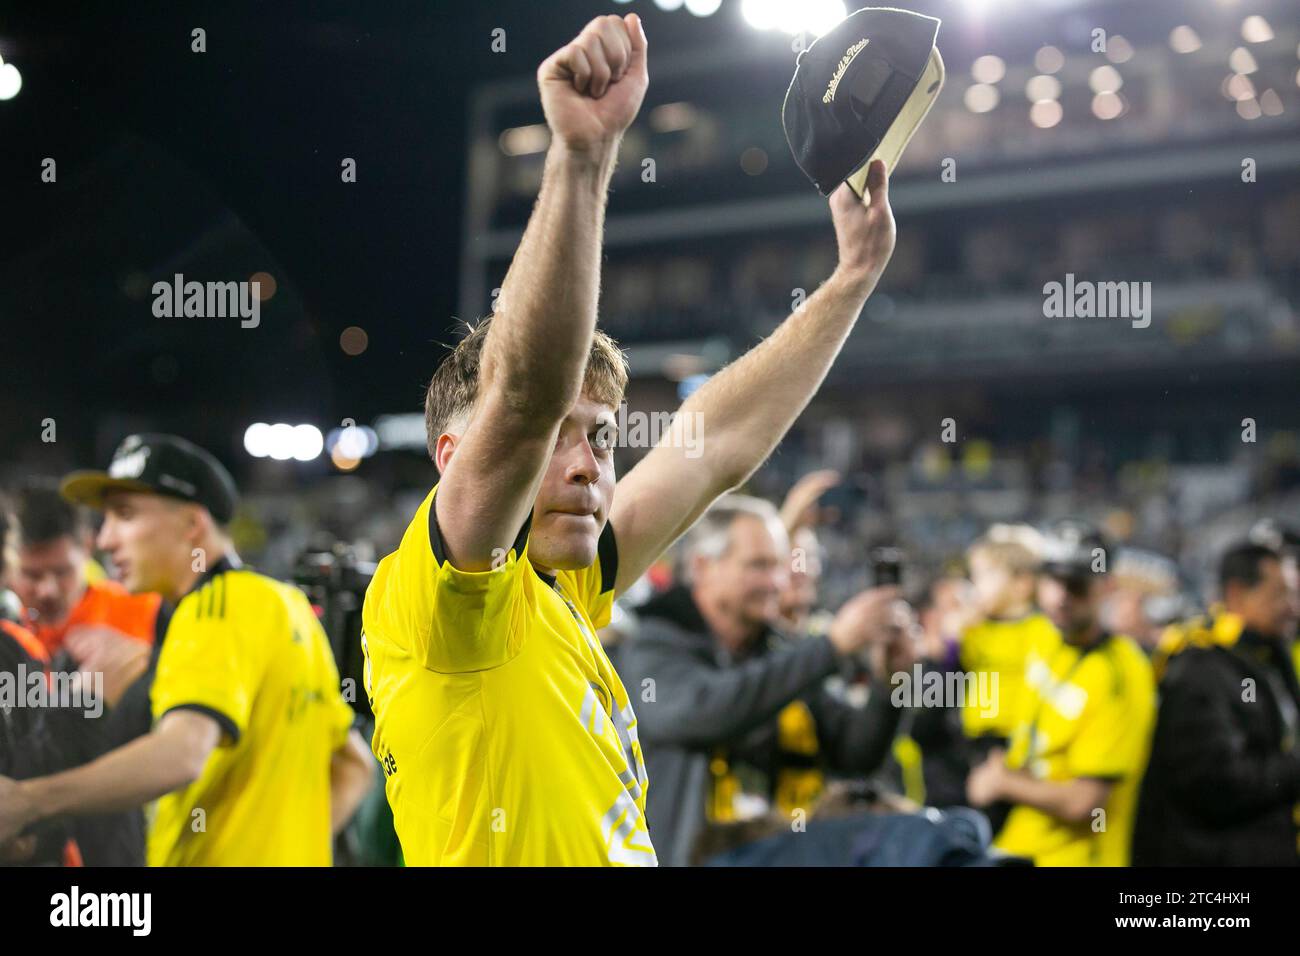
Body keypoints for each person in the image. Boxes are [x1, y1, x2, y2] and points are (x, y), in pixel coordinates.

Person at [360, 12, 898, 865]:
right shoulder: (438, 604)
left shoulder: (567, 595)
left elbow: (713, 443)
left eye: (604, 438)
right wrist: (580, 158)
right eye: (551, 442)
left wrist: (850, 281)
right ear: (455, 461)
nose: (584, 464)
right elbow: (526, 392)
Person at [0, 434, 375, 865]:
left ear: (191, 526)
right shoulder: (285, 604)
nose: (104, 540)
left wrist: (30, 801)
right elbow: (353, 766)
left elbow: (181, 755)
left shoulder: (211, 609)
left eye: (124, 515)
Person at [618, 495, 912, 867]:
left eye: (779, 565)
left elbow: (855, 755)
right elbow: (701, 712)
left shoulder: (781, 652)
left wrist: (889, 684)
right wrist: (831, 647)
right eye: (759, 565)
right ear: (704, 566)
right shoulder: (656, 642)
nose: (777, 581)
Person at [966, 521, 1156, 866]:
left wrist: (1002, 782)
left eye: (1076, 585)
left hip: (1077, 858)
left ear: (1106, 587)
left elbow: (1085, 802)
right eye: (1052, 579)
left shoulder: (1122, 673)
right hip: (1017, 845)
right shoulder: (1045, 635)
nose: (1060, 596)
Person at [1134, 542, 1300, 866]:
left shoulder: (1266, 657)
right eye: (1280, 594)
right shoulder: (1199, 670)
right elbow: (1215, 785)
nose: (1292, 607)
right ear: (1237, 594)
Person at [7, 479, 161, 660]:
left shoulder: (141, 611)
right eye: (31, 575)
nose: (47, 591)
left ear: (87, 547)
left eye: (62, 572)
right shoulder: (6, 627)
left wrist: (144, 661)